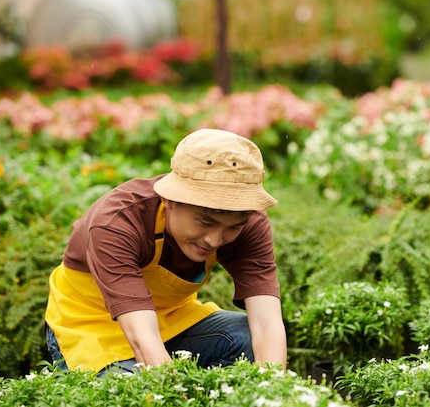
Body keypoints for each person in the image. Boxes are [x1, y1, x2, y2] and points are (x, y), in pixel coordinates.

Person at [44, 128, 287, 375]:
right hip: (90, 328)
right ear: (169, 200)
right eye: (205, 222)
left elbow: (266, 324)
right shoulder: (117, 222)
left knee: (248, 339)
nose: (215, 239)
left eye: (233, 227)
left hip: (173, 322)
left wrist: (275, 389)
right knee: (132, 388)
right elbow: (142, 338)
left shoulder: (250, 221)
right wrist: (173, 393)